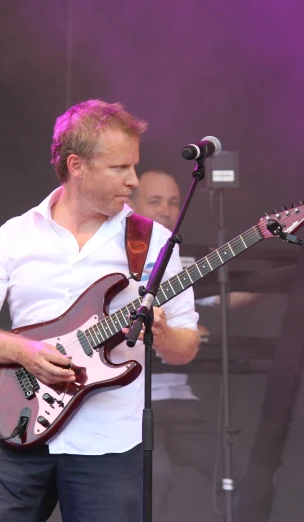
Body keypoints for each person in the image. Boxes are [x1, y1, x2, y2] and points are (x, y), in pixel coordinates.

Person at [0, 100, 200, 522]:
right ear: (76, 165)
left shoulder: (154, 242)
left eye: (134, 166)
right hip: (16, 432)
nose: (133, 180)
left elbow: (185, 346)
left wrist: (164, 334)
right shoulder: (14, 237)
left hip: (109, 446)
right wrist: (24, 353)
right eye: (119, 168)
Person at [129, 169, 262, 521]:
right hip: (131, 402)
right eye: (154, 201)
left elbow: (234, 298)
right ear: (131, 204)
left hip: (180, 404)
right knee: (154, 476)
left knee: (235, 469)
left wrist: (273, 271)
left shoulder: (178, 264)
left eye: (173, 202)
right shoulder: (115, 259)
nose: (166, 210)